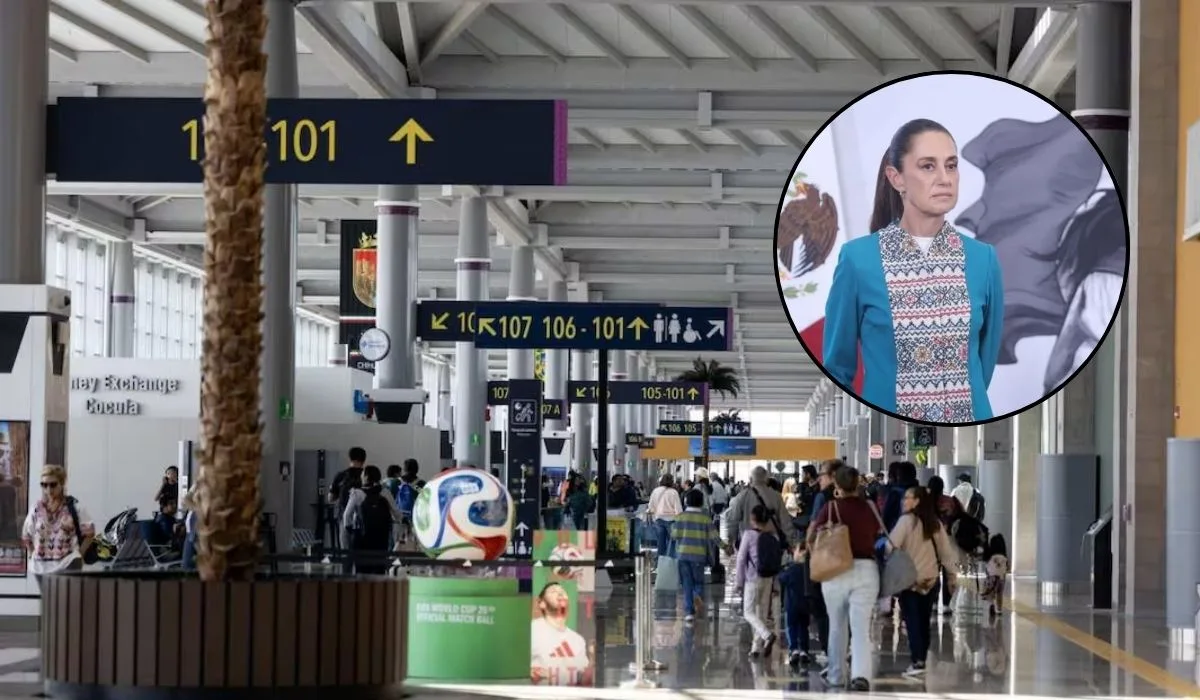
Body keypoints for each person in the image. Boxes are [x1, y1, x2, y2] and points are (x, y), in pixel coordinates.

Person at [822, 118, 1005, 423]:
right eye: (928, 166)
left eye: (951, 165)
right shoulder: (858, 260)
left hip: (968, 424)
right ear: (897, 178)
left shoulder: (983, 259)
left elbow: (984, 362)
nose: (945, 179)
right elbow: (838, 366)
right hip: (888, 427)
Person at [807, 466, 883, 691]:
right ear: (857, 484)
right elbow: (877, 533)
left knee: (837, 626)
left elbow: (812, 536)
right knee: (860, 628)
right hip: (867, 569)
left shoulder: (830, 508)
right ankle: (861, 676)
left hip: (835, 571)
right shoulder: (870, 508)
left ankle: (836, 675)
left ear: (836, 485)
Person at [885, 486, 958, 677]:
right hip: (930, 580)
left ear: (917, 501)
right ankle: (922, 658)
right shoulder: (935, 523)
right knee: (924, 621)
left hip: (910, 580)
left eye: (908, 498)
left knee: (912, 620)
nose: (904, 501)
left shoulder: (905, 521)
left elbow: (890, 546)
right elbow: (946, 553)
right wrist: (952, 577)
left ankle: (918, 661)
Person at [21, 465, 94, 581]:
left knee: (67, 593)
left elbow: (89, 533)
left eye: (53, 485)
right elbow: (26, 535)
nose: (48, 489)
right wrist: (32, 555)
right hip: (41, 567)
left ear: (62, 484)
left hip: (68, 563)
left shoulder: (74, 506)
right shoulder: (36, 508)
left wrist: (79, 555)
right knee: (48, 594)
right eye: (44, 485)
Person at [735, 504, 781, 657]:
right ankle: (755, 648)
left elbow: (741, 559)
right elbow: (776, 561)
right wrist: (776, 584)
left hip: (752, 579)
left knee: (748, 612)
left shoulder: (748, 535)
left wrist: (738, 582)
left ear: (752, 518)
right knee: (761, 613)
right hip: (768, 578)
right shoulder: (773, 537)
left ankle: (767, 635)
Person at [671, 488, 723, 622]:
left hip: (683, 556)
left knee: (686, 583)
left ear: (686, 501)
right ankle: (696, 596)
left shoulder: (680, 517)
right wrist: (726, 547)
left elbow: (674, 535)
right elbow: (714, 537)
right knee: (698, 582)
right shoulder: (705, 518)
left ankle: (689, 612)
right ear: (701, 502)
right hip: (699, 556)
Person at [341, 465, 404, 574]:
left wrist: (350, 530)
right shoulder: (385, 492)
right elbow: (396, 513)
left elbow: (347, 515)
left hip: (361, 538)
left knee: (361, 569)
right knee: (379, 568)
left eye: (362, 474)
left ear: (366, 476)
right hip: (381, 537)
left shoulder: (357, 493)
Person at [530, 582, 593, 686]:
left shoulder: (578, 640)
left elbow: (584, 680)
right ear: (542, 603)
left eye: (562, 591)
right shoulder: (532, 630)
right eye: (553, 591)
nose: (560, 594)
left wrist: (593, 660)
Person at [329, 447, 367, 567]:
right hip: (363, 521)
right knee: (362, 555)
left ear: (349, 458)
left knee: (345, 553)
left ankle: (347, 575)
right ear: (364, 460)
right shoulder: (366, 476)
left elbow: (330, 498)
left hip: (343, 518)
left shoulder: (340, 476)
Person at [646, 473, 683, 559]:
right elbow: (678, 509)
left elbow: (651, 507)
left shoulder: (655, 491)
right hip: (672, 520)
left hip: (658, 519)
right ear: (672, 481)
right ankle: (670, 561)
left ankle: (661, 561)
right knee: (672, 543)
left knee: (660, 543)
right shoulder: (674, 492)